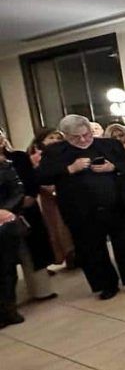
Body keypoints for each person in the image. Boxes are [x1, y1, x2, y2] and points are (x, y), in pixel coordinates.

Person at [37, 115, 125, 300]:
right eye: (76, 137)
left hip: (118, 206)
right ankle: (107, 285)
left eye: (86, 135)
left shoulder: (109, 145)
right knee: (93, 250)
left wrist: (113, 167)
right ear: (65, 135)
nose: (83, 140)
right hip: (82, 212)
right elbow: (41, 177)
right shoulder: (55, 152)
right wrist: (70, 169)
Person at [0, 129, 56, 301]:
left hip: (26, 208)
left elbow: (31, 180)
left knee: (33, 251)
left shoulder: (18, 157)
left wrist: (28, 197)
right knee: (6, 260)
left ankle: (41, 290)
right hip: (2, 215)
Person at [29, 128, 75, 269]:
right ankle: (66, 256)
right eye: (51, 137)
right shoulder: (36, 156)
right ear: (41, 141)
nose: (55, 140)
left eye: (58, 137)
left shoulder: (68, 153)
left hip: (69, 194)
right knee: (57, 227)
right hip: (49, 198)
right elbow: (37, 178)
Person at [0, 154, 25, 327]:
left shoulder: (5, 167)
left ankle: (9, 308)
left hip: (5, 223)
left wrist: (5, 210)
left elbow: (17, 191)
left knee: (7, 269)